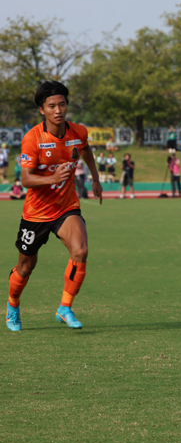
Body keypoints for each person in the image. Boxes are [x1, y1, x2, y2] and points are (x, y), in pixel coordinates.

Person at [6, 80, 103, 332]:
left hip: (66, 207)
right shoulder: (32, 139)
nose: (58, 110)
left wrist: (95, 178)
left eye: (62, 104)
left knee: (80, 251)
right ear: (42, 110)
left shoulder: (78, 132)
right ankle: (13, 305)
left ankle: (65, 308)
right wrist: (53, 178)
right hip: (36, 213)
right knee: (25, 267)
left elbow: (86, 150)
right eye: (52, 106)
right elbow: (26, 179)